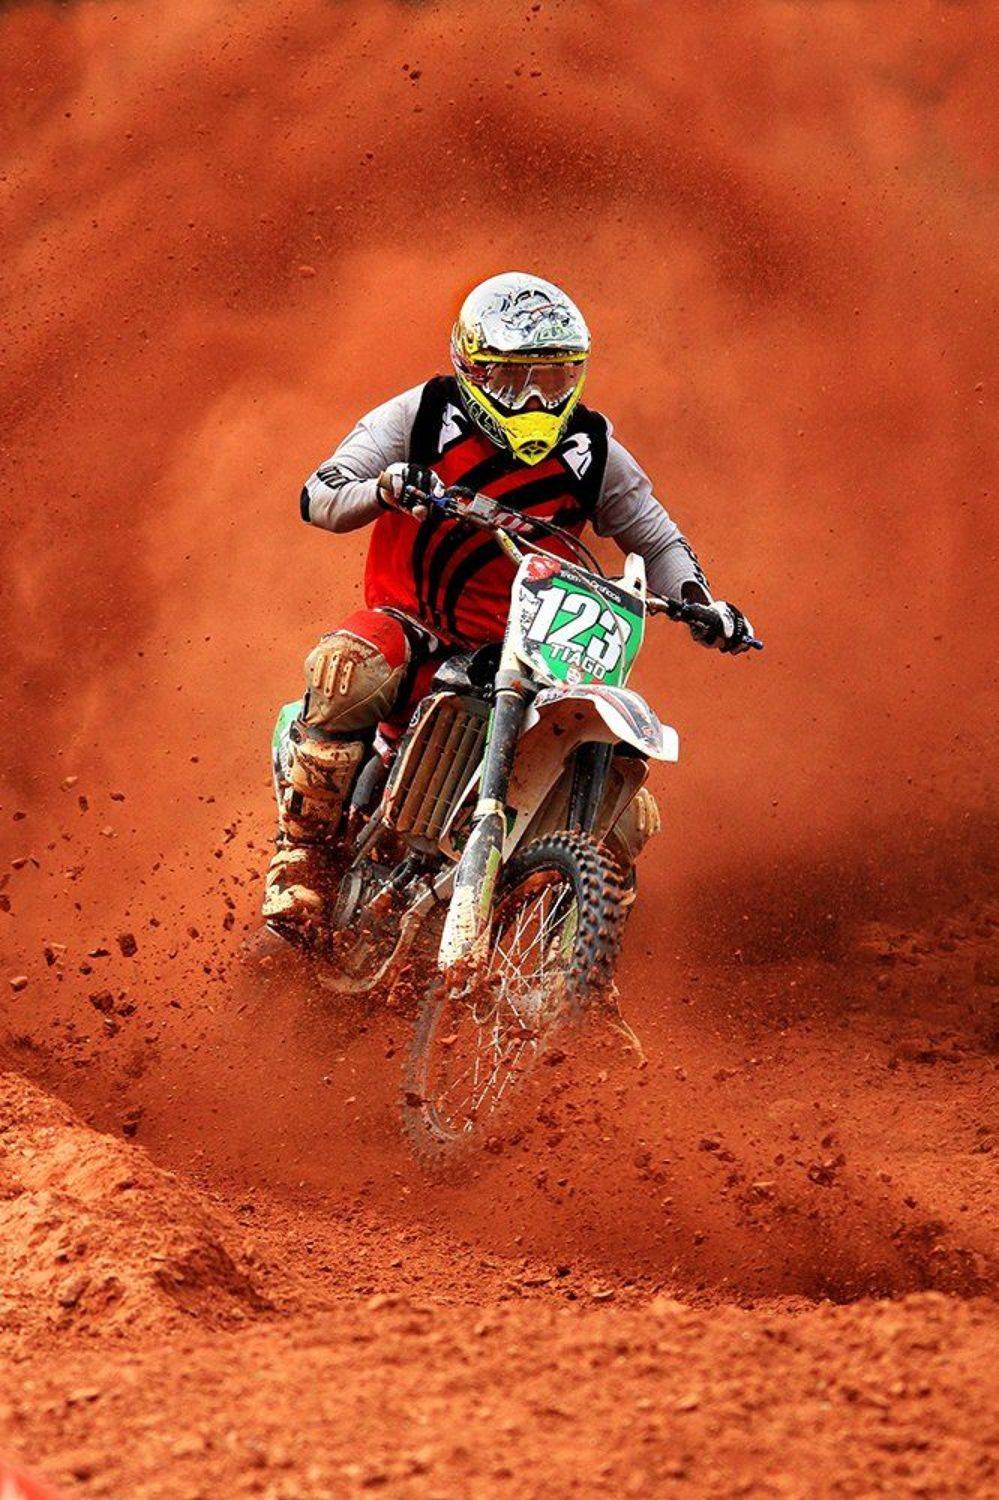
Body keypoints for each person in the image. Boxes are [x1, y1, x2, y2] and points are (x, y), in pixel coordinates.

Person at [264, 271, 755, 932]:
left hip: (529, 647)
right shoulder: (424, 416)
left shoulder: (590, 449)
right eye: (511, 380)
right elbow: (320, 493)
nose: (532, 400)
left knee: (628, 810)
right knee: (347, 668)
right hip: (414, 624)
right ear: (470, 367)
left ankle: (569, 961)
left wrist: (701, 603)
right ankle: (302, 859)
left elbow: (655, 536)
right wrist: (383, 488)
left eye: (553, 379)